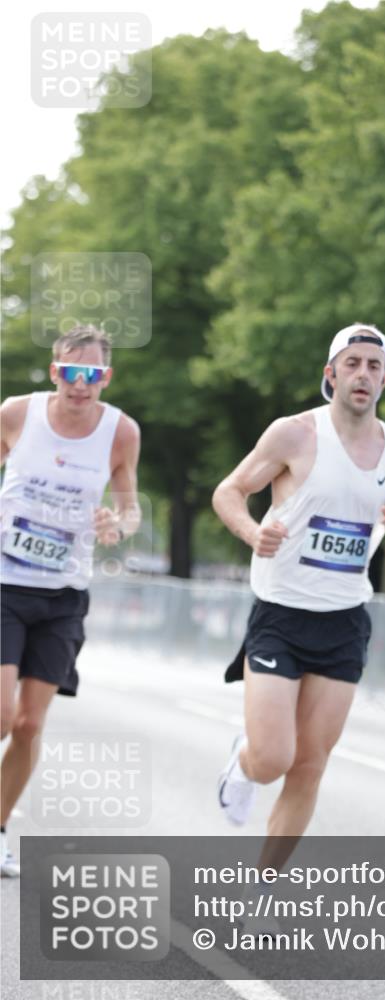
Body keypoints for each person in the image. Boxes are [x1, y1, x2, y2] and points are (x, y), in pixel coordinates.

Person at [212, 324, 385, 872]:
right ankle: (243, 763)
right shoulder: (295, 434)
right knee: (273, 757)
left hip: (345, 620)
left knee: (309, 765)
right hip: (280, 612)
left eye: (374, 366)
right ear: (331, 374)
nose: (363, 374)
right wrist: (253, 532)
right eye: (352, 363)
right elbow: (229, 491)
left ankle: (260, 889)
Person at [1, 325, 141, 876]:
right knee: (3, 714)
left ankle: (1, 826)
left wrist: (117, 522)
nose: (79, 385)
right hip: (6, 585)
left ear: (105, 377)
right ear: (55, 370)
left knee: (31, 725)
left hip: (63, 595)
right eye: (69, 372)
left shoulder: (121, 432)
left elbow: (130, 508)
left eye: (91, 375)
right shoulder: (17, 413)